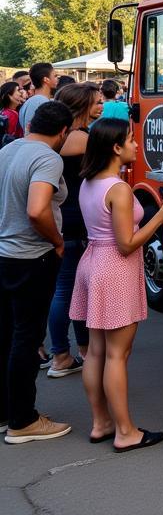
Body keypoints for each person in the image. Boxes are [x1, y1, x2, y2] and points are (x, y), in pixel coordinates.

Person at [70, 119, 163, 450]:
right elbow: (126, 244)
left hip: (91, 264)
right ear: (116, 148)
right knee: (117, 354)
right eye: (131, 140)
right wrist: (160, 216)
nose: (136, 145)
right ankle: (125, 431)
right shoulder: (118, 189)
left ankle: (101, 422)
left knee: (96, 351)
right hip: (113, 270)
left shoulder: (89, 182)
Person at [0, 100, 72, 443]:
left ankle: (7, 412)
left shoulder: (9, 149)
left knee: (7, 334)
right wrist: (57, 240)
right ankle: (23, 420)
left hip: (4, 254)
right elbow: (37, 209)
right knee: (27, 339)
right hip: (31, 257)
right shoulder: (48, 158)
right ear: (63, 132)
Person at [45, 83, 103, 379]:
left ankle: (72, 351)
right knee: (68, 288)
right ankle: (62, 355)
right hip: (74, 218)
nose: (102, 104)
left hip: (64, 215)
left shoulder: (63, 137)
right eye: (96, 101)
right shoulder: (80, 138)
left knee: (67, 287)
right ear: (82, 106)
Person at [19, 63, 59, 133]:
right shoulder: (39, 101)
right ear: (46, 79)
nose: (57, 79)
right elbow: (30, 132)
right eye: (55, 76)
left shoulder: (33, 100)